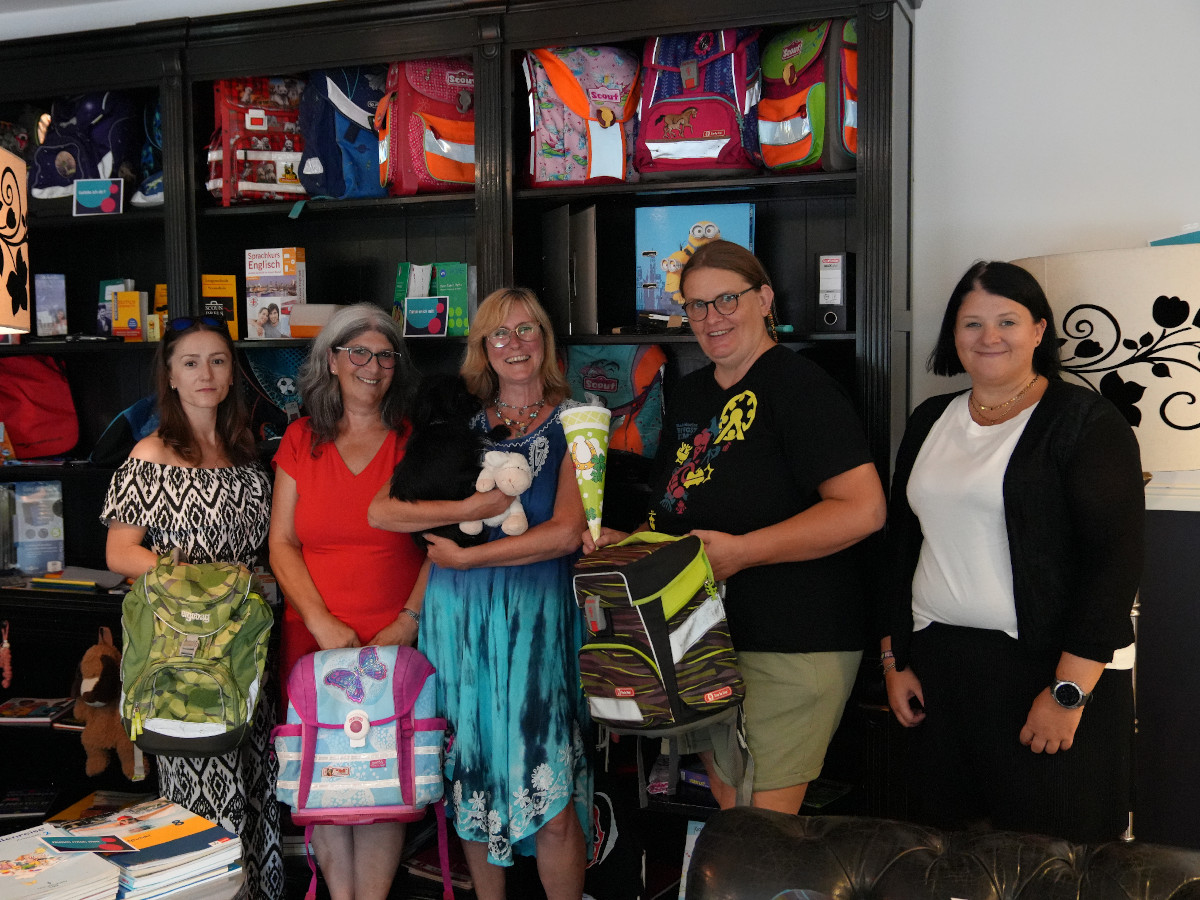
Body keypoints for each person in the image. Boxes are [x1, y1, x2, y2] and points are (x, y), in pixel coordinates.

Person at [584, 240, 887, 814]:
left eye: (727, 299)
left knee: (759, 838)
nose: (710, 318)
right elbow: (678, 516)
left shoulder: (799, 387)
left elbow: (862, 509)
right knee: (732, 819)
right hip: (701, 638)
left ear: (765, 298)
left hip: (792, 640)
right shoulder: (693, 393)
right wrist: (631, 546)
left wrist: (744, 552)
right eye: (696, 306)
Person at [881, 260, 1144, 843]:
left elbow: (1114, 565)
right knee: (941, 853)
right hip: (938, 670)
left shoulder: (1086, 423)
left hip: (1047, 675)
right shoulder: (930, 419)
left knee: (1052, 862)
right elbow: (902, 545)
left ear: (1039, 330)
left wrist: (1067, 694)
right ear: (953, 334)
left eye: (1007, 321)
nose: (989, 337)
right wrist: (893, 659)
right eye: (972, 323)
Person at [368, 287, 591, 900]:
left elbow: (566, 532)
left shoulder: (579, 419)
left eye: (526, 330)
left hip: (535, 623)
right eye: (500, 334)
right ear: (482, 348)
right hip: (457, 623)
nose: (514, 344)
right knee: (470, 782)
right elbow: (384, 511)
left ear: (544, 340)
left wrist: (469, 554)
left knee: (549, 789)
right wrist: (466, 512)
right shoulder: (457, 422)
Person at [101, 315, 281, 900]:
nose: (206, 373)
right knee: (199, 801)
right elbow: (120, 552)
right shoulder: (152, 453)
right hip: (182, 656)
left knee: (257, 788)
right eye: (190, 362)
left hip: (248, 652)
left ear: (233, 375)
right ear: (171, 378)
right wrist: (208, 584)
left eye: (218, 361)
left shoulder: (249, 460)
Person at [268, 303, 428, 900]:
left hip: (394, 641)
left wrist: (410, 620)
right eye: (357, 352)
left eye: (385, 355)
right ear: (331, 360)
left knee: (383, 784)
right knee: (328, 784)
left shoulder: (414, 440)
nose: (372, 365)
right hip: (316, 642)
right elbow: (280, 543)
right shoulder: (301, 438)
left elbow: (442, 542)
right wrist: (319, 619)